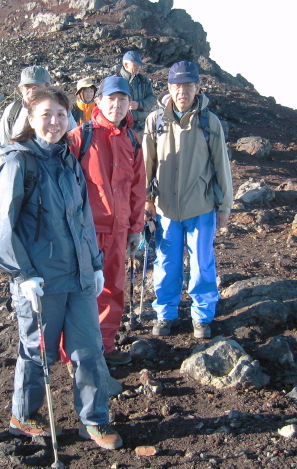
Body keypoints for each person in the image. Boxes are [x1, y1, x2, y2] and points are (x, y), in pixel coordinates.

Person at [0, 87, 123, 450]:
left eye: (61, 115)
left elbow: (82, 219)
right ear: (31, 120)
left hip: (78, 276)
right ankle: (24, 415)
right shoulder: (18, 164)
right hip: (40, 280)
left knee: (88, 349)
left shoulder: (67, 161)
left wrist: (95, 265)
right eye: (46, 114)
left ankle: (94, 420)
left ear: (70, 119)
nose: (54, 121)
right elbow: (2, 227)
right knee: (38, 351)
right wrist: (23, 274)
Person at [143, 60, 233, 339]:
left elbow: (222, 167)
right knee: (166, 262)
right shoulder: (155, 120)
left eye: (188, 85)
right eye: (177, 85)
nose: (182, 90)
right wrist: (146, 201)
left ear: (197, 87)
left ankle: (202, 316)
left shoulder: (209, 122)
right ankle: (165, 313)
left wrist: (224, 206)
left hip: (202, 206)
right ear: (169, 87)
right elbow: (147, 164)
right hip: (166, 207)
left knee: (202, 262)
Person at [67, 76, 146, 366]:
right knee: (81, 292)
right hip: (87, 232)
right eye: (111, 98)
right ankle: (77, 354)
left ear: (129, 104)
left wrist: (135, 228)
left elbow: (138, 188)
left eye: (122, 99)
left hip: (119, 231)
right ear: (98, 101)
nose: (117, 104)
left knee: (113, 288)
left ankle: (105, 349)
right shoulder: (80, 136)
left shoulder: (133, 140)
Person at [0, 65, 77, 165]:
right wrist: (9, 170)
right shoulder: (12, 111)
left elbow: (74, 143)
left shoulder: (62, 113)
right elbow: (0, 146)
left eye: (36, 86)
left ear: (48, 87)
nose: (32, 91)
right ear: (20, 89)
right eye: (27, 86)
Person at [119, 51, 156, 134]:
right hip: (123, 128)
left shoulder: (144, 80)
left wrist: (139, 105)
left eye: (139, 64)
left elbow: (152, 98)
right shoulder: (116, 81)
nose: (138, 67)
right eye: (135, 64)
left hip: (143, 127)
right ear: (126, 64)